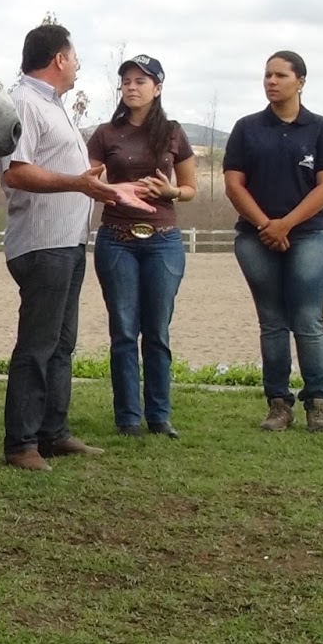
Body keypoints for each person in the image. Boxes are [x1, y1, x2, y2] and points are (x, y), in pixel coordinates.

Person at [0, 22, 151, 472]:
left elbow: (70, 171)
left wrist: (105, 186)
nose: (79, 65)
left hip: (67, 242)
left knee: (62, 343)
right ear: (59, 59)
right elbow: (17, 173)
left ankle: (53, 433)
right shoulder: (23, 102)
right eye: (76, 57)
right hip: (41, 244)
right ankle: (20, 443)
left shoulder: (53, 104)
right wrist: (80, 184)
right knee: (37, 344)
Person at [222, 50, 323, 433]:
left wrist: (287, 224)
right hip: (256, 238)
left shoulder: (321, 129)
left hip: (310, 236)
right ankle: (278, 404)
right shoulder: (246, 128)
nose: (271, 82)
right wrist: (266, 226)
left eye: (280, 75)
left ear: (300, 82)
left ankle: (318, 404)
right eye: (267, 75)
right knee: (272, 322)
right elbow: (233, 184)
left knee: (308, 319)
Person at [86, 54, 197, 439]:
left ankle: (160, 416)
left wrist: (171, 191)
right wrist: (113, 189)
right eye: (126, 81)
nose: (131, 87)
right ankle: (128, 418)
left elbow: (189, 189)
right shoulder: (104, 134)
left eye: (141, 81)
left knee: (157, 331)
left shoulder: (173, 133)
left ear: (158, 88)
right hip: (116, 240)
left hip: (162, 240)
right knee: (123, 330)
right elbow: (91, 182)